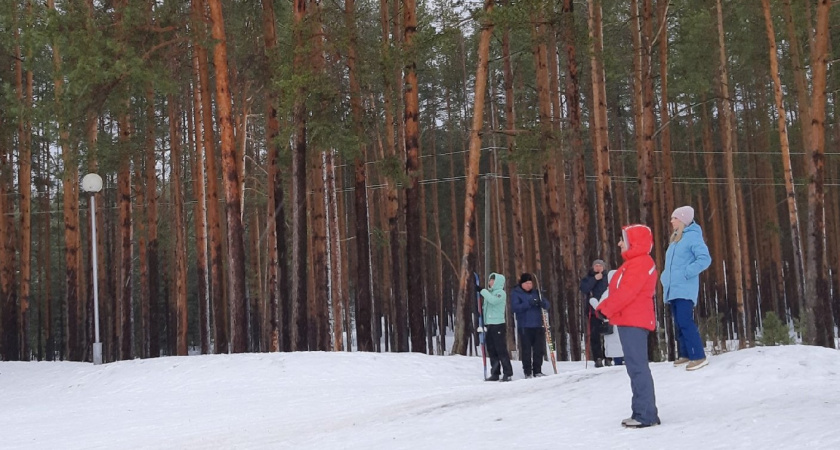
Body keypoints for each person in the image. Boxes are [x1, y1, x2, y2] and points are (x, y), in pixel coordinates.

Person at [595, 224, 660, 428]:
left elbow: (627, 293)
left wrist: (604, 309)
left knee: (637, 367)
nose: (619, 243)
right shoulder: (633, 263)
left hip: (634, 321)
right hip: (628, 319)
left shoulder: (641, 263)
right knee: (634, 367)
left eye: (623, 239)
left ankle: (646, 415)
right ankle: (641, 411)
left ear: (634, 241)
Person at [661, 206, 712, 371]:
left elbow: (704, 259)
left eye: (674, 218)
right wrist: (665, 278)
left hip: (684, 288)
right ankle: (685, 354)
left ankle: (698, 356)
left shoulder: (692, 237)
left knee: (685, 321)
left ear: (682, 220)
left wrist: (686, 273)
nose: (671, 221)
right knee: (678, 323)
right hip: (673, 288)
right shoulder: (676, 238)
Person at [511, 273, 550, 378]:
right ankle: (527, 371)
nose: (529, 285)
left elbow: (547, 304)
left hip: (538, 325)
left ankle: (537, 370)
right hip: (525, 326)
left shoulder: (536, 293)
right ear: (522, 284)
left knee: (538, 349)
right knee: (527, 350)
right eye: (526, 283)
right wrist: (529, 303)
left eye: (530, 283)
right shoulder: (516, 293)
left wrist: (541, 303)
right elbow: (515, 307)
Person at [480, 273, 513, 382]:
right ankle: (495, 372)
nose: (490, 283)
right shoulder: (489, 293)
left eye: (492, 281)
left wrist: (482, 291)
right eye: (490, 280)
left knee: (501, 349)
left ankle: (507, 373)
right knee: (492, 350)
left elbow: (493, 301)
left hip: (498, 324)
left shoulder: (500, 293)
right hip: (489, 324)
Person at [589, 270, 624, 366]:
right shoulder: (622, 291)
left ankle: (618, 361)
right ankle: (619, 361)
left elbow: (601, 308)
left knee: (615, 343)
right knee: (618, 342)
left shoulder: (607, 293)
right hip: (619, 322)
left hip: (612, 322)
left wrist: (594, 302)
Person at [580, 259, 609, 367]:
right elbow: (584, 289)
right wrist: (594, 279)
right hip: (593, 310)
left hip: (607, 309)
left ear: (604, 267)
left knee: (608, 334)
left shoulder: (608, 278)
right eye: (596, 265)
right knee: (594, 335)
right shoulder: (588, 278)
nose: (598, 267)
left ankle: (608, 357)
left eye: (600, 265)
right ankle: (598, 358)